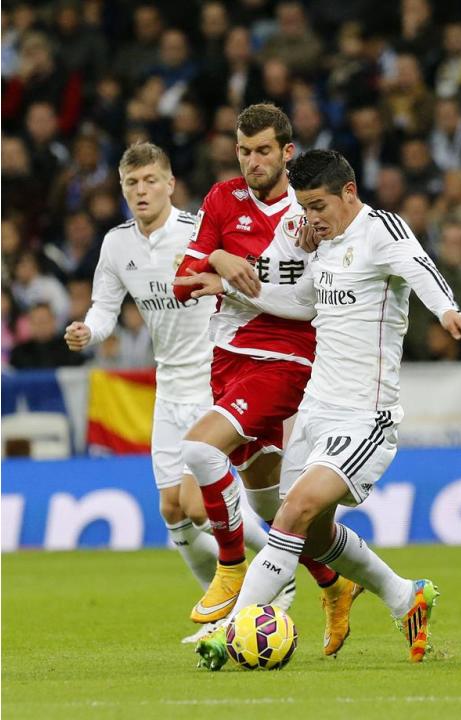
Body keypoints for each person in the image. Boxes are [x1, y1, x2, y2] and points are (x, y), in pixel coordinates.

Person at [177, 149, 461, 670]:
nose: (311, 218)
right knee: (306, 531)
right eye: (303, 206)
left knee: (295, 510)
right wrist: (228, 285)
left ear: (348, 192)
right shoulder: (315, 242)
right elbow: (295, 303)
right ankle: (402, 594)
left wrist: (449, 312)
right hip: (316, 409)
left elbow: (420, 268)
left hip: (365, 417)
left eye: (318, 205)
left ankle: (231, 631)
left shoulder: (380, 229)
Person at [173, 105, 362, 656]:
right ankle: (336, 584)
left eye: (262, 150)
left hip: (287, 359)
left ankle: (231, 570)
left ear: (286, 153)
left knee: (201, 453)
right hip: (228, 358)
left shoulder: (310, 212)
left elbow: (327, 291)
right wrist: (218, 255)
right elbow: (183, 284)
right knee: (268, 507)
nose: (252, 161)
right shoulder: (221, 200)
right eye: (243, 150)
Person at [64, 142, 270, 641]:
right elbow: (103, 308)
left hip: (213, 380)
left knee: (199, 506)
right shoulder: (116, 245)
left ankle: (280, 571)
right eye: (132, 183)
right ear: (122, 189)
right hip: (168, 385)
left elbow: (249, 285)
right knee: (173, 510)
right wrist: (88, 332)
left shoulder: (199, 232)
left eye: (151, 180)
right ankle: (222, 615)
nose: (141, 190)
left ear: (170, 184)